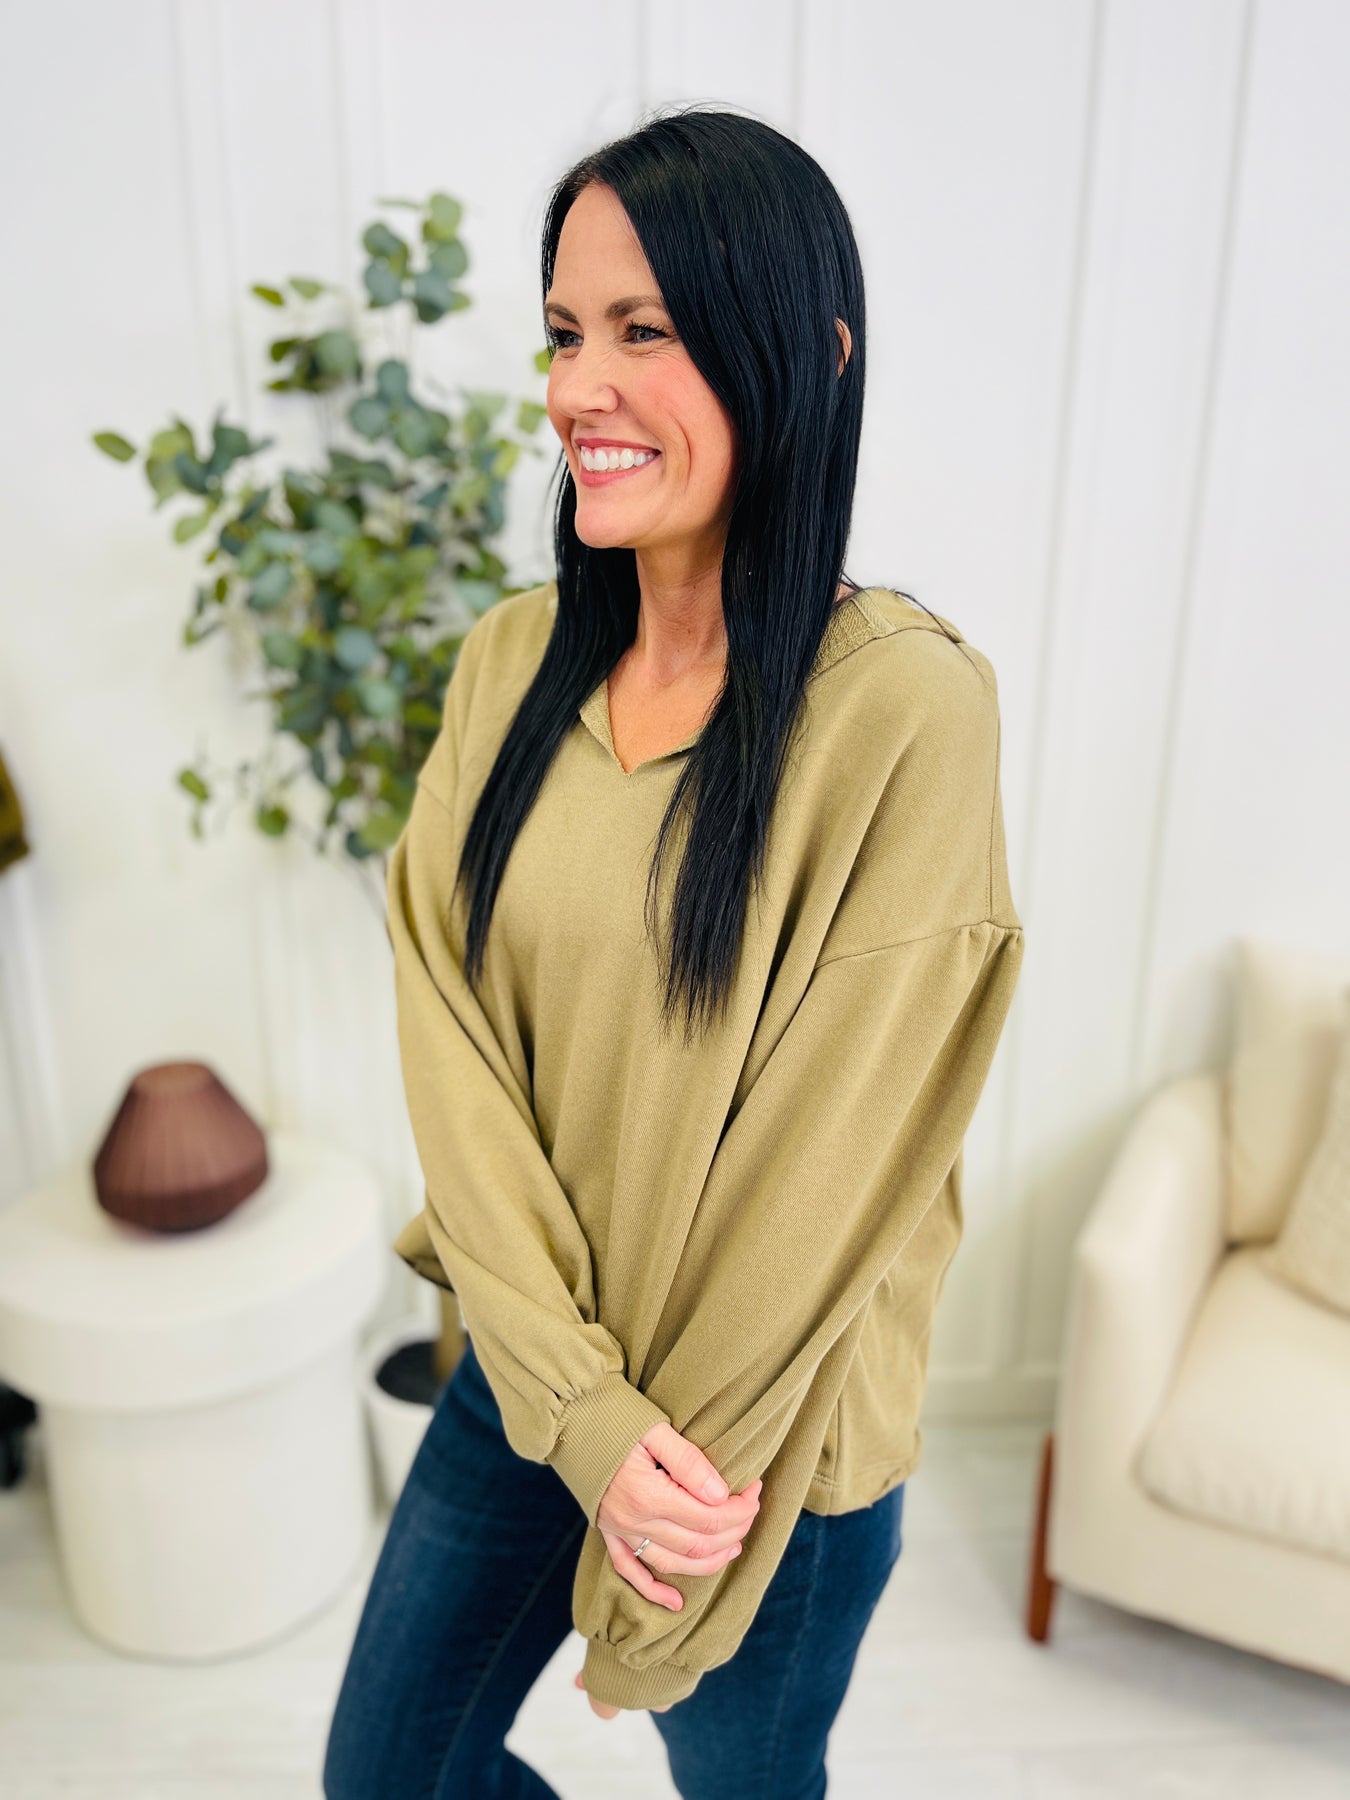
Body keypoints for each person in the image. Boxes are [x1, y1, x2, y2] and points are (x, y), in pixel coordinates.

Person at [323, 104, 1024, 1799]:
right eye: (564, 331)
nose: (581, 386)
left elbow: (827, 1176)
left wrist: (662, 1477)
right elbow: (449, 1037)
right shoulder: (506, 665)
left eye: (646, 329)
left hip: (754, 1448)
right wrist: (571, 1403)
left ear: (812, 357)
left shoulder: (904, 712)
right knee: (387, 1775)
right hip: (530, 1373)